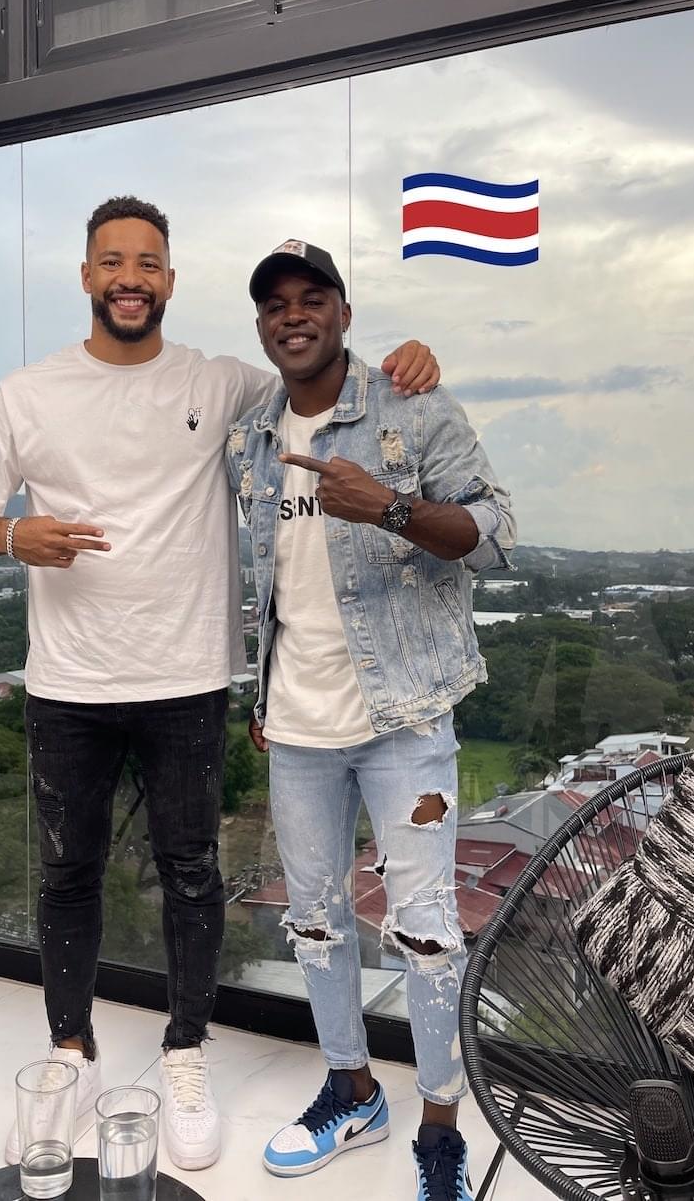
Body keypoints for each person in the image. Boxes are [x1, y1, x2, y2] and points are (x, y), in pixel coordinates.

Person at [0, 198, 441, 1171]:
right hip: (68, 680)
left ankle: (185, 1048)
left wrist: (406, 361)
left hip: (187, 678)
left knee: (193, 872)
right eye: (112, 261)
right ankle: (71, 1051)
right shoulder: (27, 393)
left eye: (148, 262)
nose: (130, 277)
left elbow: (323, 379)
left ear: (169, 279)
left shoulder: (220, 381)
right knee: (67, 873)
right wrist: (8, 533)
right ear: (87, 276)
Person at [224, 239, 515, 1199]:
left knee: (426, 929)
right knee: (315, 921)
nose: (293, 314)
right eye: (276, 303)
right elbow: (269, 584)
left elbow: (495, 535)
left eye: (313, 297)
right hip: (296, 726)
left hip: (404, 719)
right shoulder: (251, 435)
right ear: (262, 324)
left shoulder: (412, 405)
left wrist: (389, 508)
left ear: (344, 314)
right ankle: (352, 1090)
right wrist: (262, 693)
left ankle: (440, 1128)